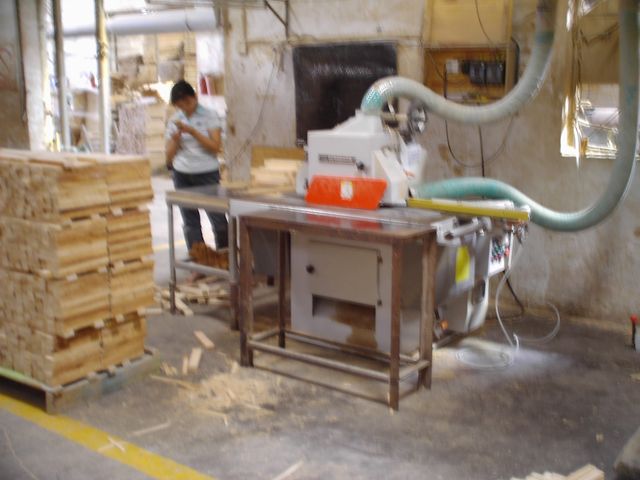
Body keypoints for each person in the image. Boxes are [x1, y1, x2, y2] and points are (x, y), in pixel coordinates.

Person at [165, 80, 228, 266]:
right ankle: (199, 263)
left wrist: (193, 132)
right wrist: (175, 140)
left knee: (218, 219)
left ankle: (225, 260)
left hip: (207, 173)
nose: (185, 108)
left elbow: (215, 147)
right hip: (182, 173)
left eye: (187, 103)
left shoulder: (210, 116)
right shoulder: (175, 120)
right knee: (190, 222)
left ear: (194, 98)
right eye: (180, 105)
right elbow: (168, 156)